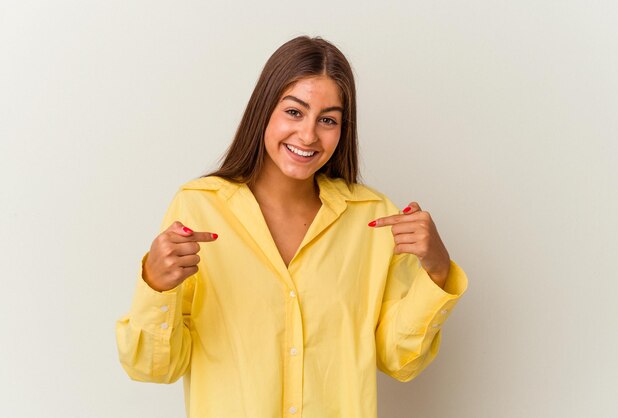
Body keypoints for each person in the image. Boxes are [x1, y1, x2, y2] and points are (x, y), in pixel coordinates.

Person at [116, 35, 468, 418]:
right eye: (294, 112)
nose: (308, 135)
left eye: (328, 119)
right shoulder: (199, 207)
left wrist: (436, 271)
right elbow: (155, 367)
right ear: (264, 109)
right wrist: (156, 284)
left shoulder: (374, 219)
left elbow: (398, 358)